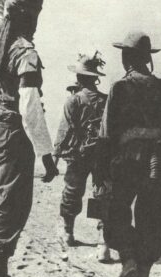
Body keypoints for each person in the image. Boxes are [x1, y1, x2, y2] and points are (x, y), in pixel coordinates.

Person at [0, 0, 58, 277]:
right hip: (12, 129)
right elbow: (30, 106)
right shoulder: (25, 51)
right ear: (30, 18)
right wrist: (47, 156)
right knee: (11, 203)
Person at [99, 31, 161, 277]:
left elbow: (105, 135)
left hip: (126, 162)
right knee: (152, 221)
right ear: (147, 58)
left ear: (127, 57)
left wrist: (101, 171)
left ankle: (127, 260)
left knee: (115, 212)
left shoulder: (119, 88)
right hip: (159, 163)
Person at [53, 52, 111, 261]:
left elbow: (64, 131)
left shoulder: (74, 101)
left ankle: (68, 232)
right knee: (102, 193)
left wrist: (55, 156)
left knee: (72, 191)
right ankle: (103, 242)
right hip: (102, 154)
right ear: (95, 77)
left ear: (79, 78)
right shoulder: (106, 100)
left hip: (78, 154)